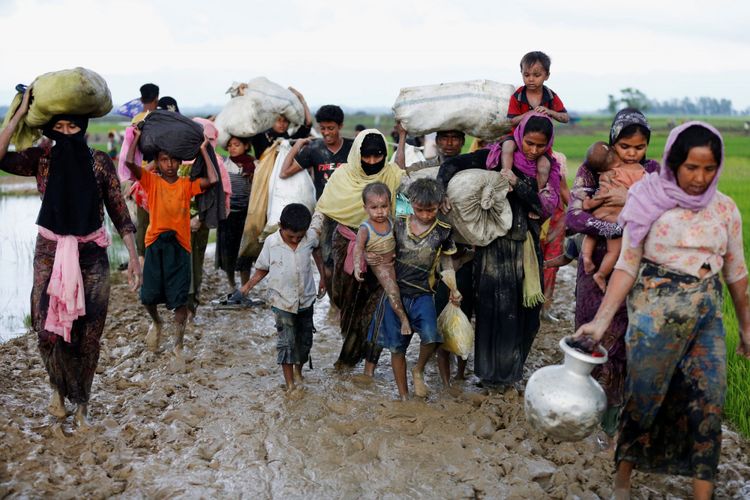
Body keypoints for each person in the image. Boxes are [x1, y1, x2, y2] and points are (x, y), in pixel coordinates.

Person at [574, 122, 750, 500]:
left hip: (706, 321)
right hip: (652, 320)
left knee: (708, 407)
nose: (700, 178)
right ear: (672, 162)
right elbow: (626, 265)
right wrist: (601, 320)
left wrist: (746, 328)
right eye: (691, 167)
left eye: (709, 168)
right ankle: (623, 482)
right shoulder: (647, 199)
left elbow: (736, 273)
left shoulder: (724, 209)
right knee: (644, 400)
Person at [0, 88, 141, 426]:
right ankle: (57, 390)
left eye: (72, 127)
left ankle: (82, 404)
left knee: (89, 334)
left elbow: (120, 213)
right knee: (46, 329)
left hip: (92, 255)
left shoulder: (99, 162)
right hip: (49, 252)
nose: (65, 133)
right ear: (50, 129)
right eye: (58, 127)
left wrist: (135, 258)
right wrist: (18, 116)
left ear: (83, 127)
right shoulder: (41, 159)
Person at [438, 113, 561, 387]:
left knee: (528, 316)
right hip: (493, 250)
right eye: (529, 143)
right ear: (519, 138)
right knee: (494, 311)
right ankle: (491, 376)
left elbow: (543, 207)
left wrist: (517, 184)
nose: (533, 150)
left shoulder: (546, 169)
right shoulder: (493, 158)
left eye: (540, 145)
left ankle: (512, 371)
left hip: (526, 248)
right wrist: (440, 190)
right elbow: (454, 164)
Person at [565, 108, 660, 438]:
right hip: (596, 263)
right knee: (589, 330)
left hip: (635, 264)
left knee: (623, 340)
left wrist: (630, 203)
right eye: (624, 146)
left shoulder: (654, 172)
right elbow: (574, 217)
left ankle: (614, 418)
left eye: (639, 146)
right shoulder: (593, 168)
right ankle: (581, 409)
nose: (632, 152)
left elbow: (664, 214)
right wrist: (614, 228)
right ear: (612, 143)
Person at [312, 129, 404, 374]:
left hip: (383, 249)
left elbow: (404, 208)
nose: (372, 163)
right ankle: (352, 352)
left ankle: (359, 363)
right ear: (358, 155)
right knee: (350, 304)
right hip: (346, 245)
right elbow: (325, 211)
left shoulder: (393, 174)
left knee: (375, 307)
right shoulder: (342, 177)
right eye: (367, 157)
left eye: (378, 157)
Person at [124, 126, 218, 360]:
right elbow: (129, 164)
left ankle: (177, 344)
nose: (170, 165)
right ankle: (156, 323)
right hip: (155, 244)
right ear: (157, 162)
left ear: (179, 163)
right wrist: (136, 139)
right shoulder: (151, 181)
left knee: (180, 300)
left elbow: (213, 179)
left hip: (180, 246)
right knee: (148, 296)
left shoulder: (186, 185)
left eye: (174, 160)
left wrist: (204, 149)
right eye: (164, 160)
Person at [368, 178, 460, 399]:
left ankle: (418, 369)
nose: (426, 215)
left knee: (432, 337)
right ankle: (403, 395)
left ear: (439, 205)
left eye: (431, 211)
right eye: (420, 210)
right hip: (396, 294)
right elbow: (379, 243)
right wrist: (368, 254)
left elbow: (446, 263)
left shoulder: (444, 231)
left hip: (423, 294)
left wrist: (453, 289)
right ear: (412, 204)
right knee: (396, 348)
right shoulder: (398, 223)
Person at [239, 203, 326, 392]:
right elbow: (263, 268)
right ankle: (290, 385)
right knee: (286, 343)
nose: (295, 240)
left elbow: (317, 251)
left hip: (305, 300)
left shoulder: (310, 238)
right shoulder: (271, 242)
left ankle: (298, 371)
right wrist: (247, 287)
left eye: (299, 237)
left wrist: (323, 278)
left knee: (304, 341)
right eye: (290, 236)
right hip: (281, 301)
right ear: (280, 226)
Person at [281, 104, 354, 293]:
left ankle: (345, 301)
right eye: (322, 129)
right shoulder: (314, 149)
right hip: (326, 212)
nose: (326, 133)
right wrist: (296, 146)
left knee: (350, 262)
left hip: (351, 211)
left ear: (340, 126)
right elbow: (284, 172)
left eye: (331, 128)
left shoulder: (353, 148)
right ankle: (332, 301)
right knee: (328, 264)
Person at [580, 141, 646, 292]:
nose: (631, 153)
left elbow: (602, 195)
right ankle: (601, 274)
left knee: (591, 234)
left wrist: (588, 204)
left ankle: (586, 257)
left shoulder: (607, 174)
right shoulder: (640, 171)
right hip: (616, 218)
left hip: (601, 213)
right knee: (613, 251)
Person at [500, 51, 569, 195]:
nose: (531, 79)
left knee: (544, 166)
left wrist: (550, 112)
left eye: (536, 75)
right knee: (507, 146)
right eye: (526, 75)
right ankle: (506, 177)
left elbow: (565, 117)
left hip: (540, 140)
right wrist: (528, 114)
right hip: (517, 137)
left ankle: (535, 196)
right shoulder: (517, 96)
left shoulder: (550, 96)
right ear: (522, 74)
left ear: (547, 76)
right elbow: (511, 120)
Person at [352, 182, 411, 335]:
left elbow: (401, 238)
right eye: (374, 207)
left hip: (393, 260)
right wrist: (358, 266)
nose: (379, 212)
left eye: (384, 206)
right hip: (380, 265)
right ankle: (403, 319)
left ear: (389, 205)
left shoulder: (391, 221)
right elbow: (358, 248)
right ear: (365, 208)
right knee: (393, 290)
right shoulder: (365, 228)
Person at [216, 135, 256, 291]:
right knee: (228, 252)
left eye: (237, 144)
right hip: (227, 215)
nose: (232, 148)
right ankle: (232, 286)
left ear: (246, 145)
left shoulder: (253, 164)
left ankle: (245, 286)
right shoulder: (224, 164)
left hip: (245, 215)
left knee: (244, 252)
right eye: (230, 145)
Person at [251, 87, 313, 160]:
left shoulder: (291, 139)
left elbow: (308, 123)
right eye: (278, 120)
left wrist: (301, 99)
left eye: (285, 121)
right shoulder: (260, 137)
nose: (282, 124)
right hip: (264, 171)